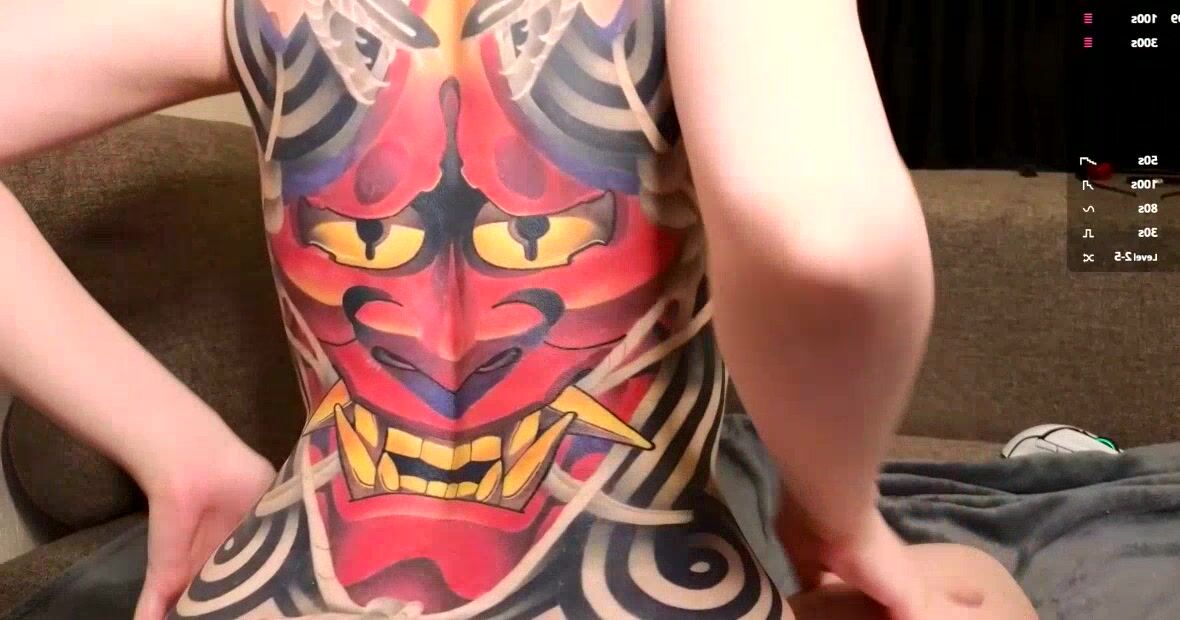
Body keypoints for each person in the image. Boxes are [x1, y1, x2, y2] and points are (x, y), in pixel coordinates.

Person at [0, 1, 1036, 618]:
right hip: (634, 592)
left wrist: (179, 449)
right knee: (975, 587)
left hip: (274, 592)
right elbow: (829, 241)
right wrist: (836, 514)